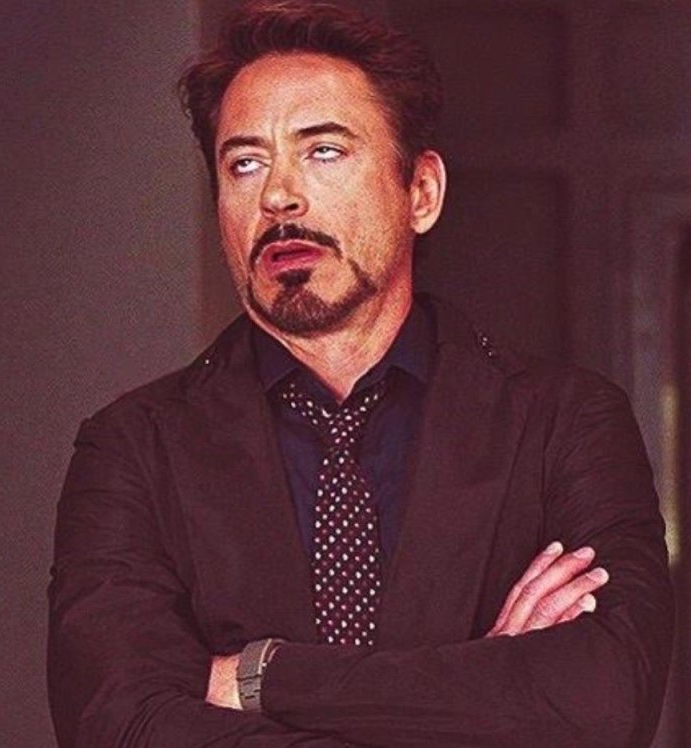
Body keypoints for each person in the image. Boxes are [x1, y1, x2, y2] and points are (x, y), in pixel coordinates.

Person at [47, 2, 674, 746]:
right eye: (244, 163)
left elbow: (603, 703)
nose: (278, 195)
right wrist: (482, 693)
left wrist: (258, 677)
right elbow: (119, 722)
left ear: (421, 193)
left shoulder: (564, 424)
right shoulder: (132, 447)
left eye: (323, 151)